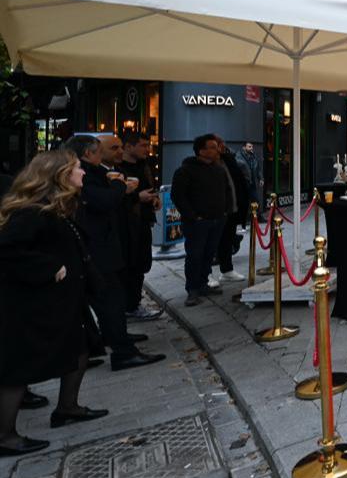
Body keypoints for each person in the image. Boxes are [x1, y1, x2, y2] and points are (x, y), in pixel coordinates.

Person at [0, 150, 109, 456]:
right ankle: (5, 435)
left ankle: (68, 407)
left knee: (82, 347)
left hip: (62, 299)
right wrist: (48, 269)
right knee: (18, 367)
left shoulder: (55, 206)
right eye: (77, 169)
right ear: (59, 174)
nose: (83, 173)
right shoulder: (33, 212)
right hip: (35, 303)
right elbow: (7, 249)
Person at [66, 135, 165, 372]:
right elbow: (104, 200)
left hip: (105, 245)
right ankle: (122, 351)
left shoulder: (97, 172)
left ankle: (113, 338)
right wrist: (121, 186)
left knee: (112, 299)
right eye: (102, 150)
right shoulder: (85, 176)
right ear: (88, 154)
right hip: (97, 249)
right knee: (109, 299)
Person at [171, 134, 232, 307]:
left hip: (217, 219)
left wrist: (225, 211)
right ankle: (192, 289)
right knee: (195, 255)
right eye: (212, 147)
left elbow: (226, 191)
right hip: (197, 222)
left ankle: (203, 283)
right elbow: (178, 196)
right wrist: (193, 216)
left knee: (209, 253)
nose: (216, 150)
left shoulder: (218, 169)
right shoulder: (185, 170)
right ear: (201, 151)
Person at [116, 132, 161, 321]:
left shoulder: (145, 166)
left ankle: (133, 303)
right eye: (143, 145)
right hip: (125, 225)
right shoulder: (117, 169)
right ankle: (128, 306)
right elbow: (115, 198)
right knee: (129, 265)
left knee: (141, 264)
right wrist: (136, 197)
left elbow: (149, 187)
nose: (147, 149)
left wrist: (154, 199)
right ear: (129, 147)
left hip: (143, 221)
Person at [213, 135, 249, 285]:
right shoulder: (206, 165)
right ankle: (204, 275)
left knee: (227, 240)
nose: (221, 147)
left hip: (231, 208)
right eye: (217, 145)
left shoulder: (228, 159)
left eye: (221, 144)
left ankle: (227, 269)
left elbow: (237, 181)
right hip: (214, 211)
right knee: (210, 243)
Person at [235, 142, 262, 221]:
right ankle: (244, 219)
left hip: (252, 183)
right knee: (244, 202)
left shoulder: (253, 156)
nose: (251, 148)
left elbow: (258, 169)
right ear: (244, 148)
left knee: (256, 200)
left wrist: (261, 178)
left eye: (252, 147)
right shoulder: (239, 156)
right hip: (244, 183)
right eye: (249, 147)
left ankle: (258, 217)